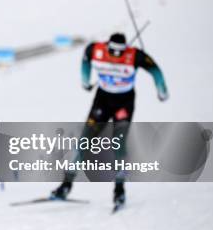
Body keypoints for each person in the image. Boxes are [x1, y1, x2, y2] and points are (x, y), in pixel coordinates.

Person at [51, 32, 168, 207]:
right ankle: (66, 185)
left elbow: (155, 70)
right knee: (84, 141)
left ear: (126, 48)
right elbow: (86, 58)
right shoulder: (96, 50)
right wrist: (85, 80)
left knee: (118, 145)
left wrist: (162, 90)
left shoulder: (134, 55)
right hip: (102, 101)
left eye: (120, 51)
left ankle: (119, 190)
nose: (116, 55)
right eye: (113, 51)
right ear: (107, 46)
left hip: (124, 103)